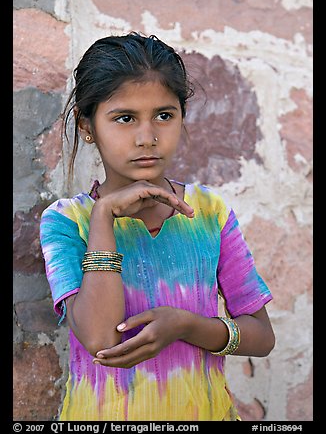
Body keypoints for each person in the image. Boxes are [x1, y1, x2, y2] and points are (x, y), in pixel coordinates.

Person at [39, 31, 275, 422]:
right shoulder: (68, 222)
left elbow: (262, 337)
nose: (147, 137)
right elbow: (100, 340)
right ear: (87, 126)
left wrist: (185, 325)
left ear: (182, 116)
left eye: (164, 115)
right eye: (125, 118)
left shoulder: (209, 213)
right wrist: (103, 218)